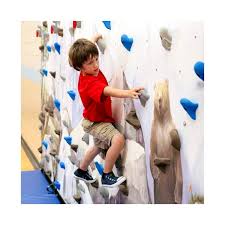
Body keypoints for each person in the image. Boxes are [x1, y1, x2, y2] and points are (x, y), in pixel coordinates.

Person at [68, 34, 144, 187]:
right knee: (118, 139)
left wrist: (93, 40)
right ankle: (107, 175)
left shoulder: (87, 69)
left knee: (98, 147)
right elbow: (109, 91)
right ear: (80, 67)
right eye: (90, 63)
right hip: (96, 123)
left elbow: (85, 50)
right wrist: (128, 93)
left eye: (96, 59)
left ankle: (81, 170)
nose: (96, 65)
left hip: (93, 119)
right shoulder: (89, 83)